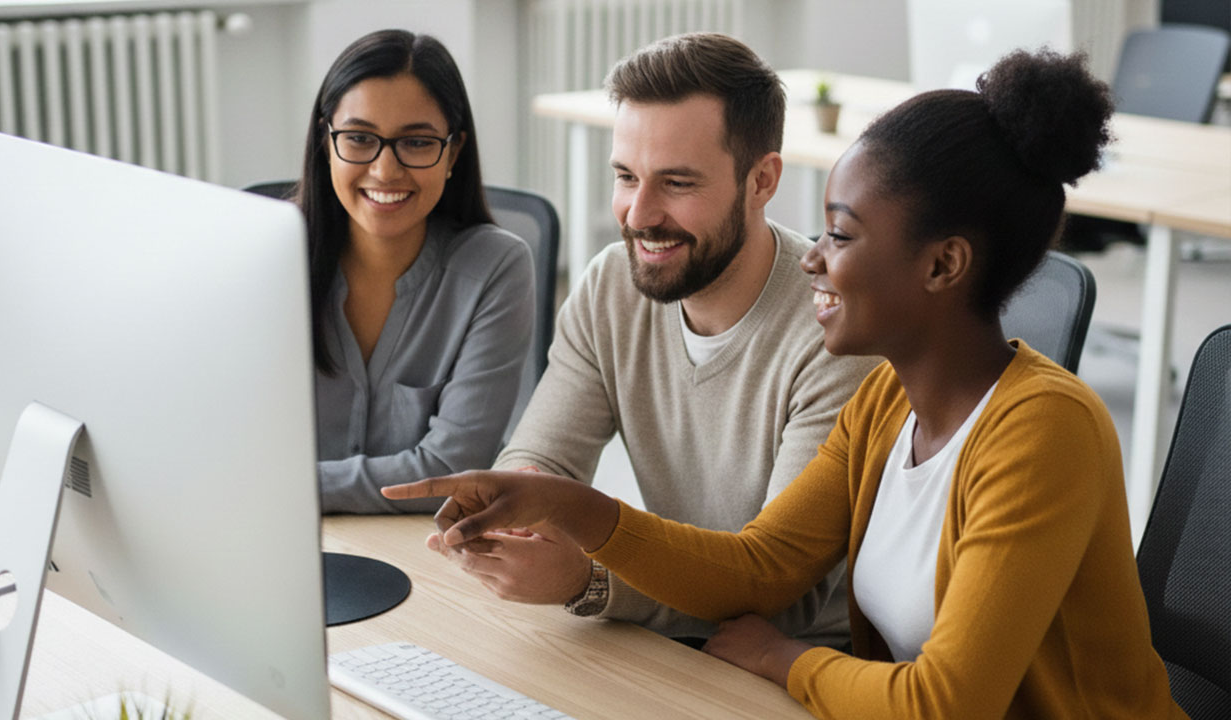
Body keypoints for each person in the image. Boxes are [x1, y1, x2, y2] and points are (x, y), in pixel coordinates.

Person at [387, 48, 1184, 718]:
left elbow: (946, 703)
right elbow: (760, 566)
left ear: (942, 265)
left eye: (839, 234)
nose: (812, 257)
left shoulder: (1045, 428)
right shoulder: (885, 404)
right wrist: (568, 506)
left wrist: (782, 659)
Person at [428, 32, 876, 646]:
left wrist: (591, 581)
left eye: (678, 183)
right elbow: (544, 462)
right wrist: (513, 517)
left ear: (761, 181)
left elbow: (781, 596)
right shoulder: (612, 284)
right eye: (625, 176)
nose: (638, 214)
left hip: (794, 668)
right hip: (667, 639)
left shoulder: (838, 332)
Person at [298, 30, 535, 513]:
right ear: (326, 143)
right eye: (360, 138)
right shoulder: (269, 260)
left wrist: (287, 487)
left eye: (417, 142)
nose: (386, 171)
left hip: (428, 552)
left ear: (452, 152)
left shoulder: (495, 269)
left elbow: (451, 470)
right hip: (283, 543)